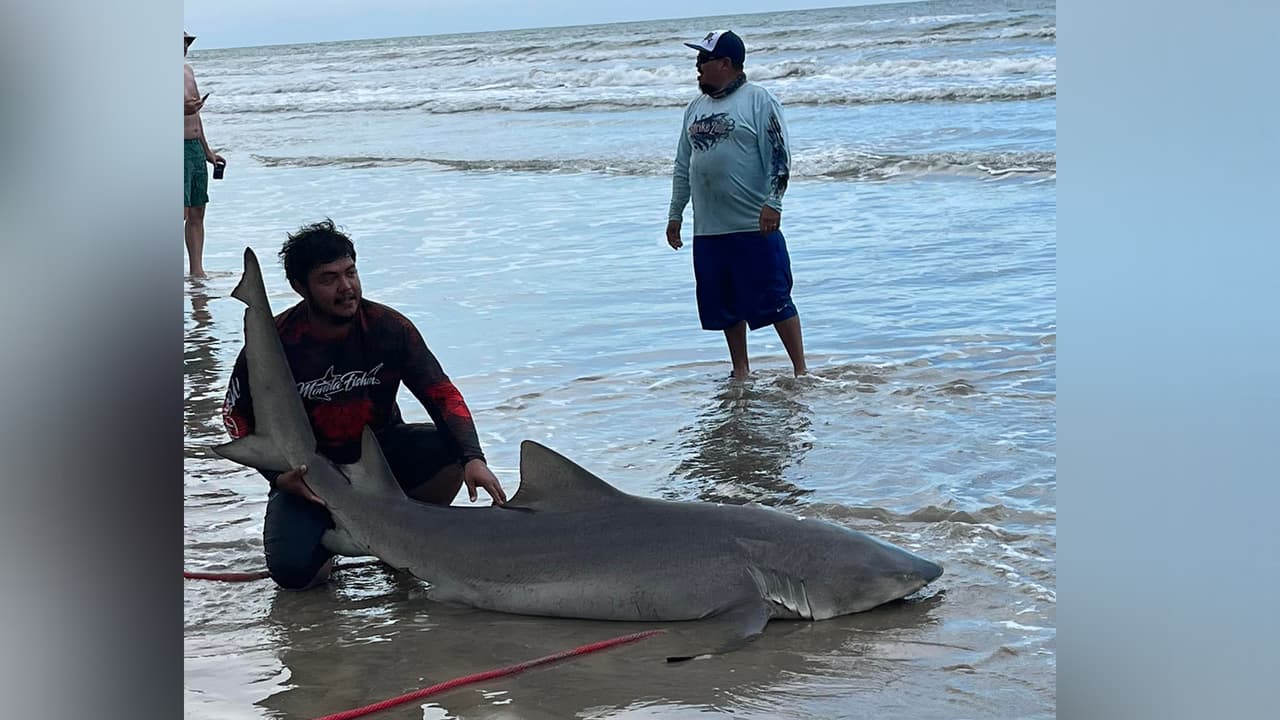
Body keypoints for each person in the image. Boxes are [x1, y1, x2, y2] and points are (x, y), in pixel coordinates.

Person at [221, 219, 508, 590]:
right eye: (329, 279)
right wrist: (279, 477)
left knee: (448, 449)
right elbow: (235, 414)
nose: (346, 287)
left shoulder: (389, 328)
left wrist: (473, 457)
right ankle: (333, 539)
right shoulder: (277, 344)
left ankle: (407, 540)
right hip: (312, 472)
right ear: (299, 287)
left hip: (382, 460)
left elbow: (441, 393)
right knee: (295, 577)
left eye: (350, 272)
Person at [665, 30, 807, 379]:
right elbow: (683, 165)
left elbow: (779, 155)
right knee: (725, 304)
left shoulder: (758, 100)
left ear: (725, 63)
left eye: (704, 59)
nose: (697, 66)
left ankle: (801, 371)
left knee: (774, 299)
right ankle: (740, 370)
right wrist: (675, 213)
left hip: (752, 224)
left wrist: (774, 202)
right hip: (709, 228)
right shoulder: (694, 109)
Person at [184, 30, 224, 278]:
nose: (184, 47)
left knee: (197, 211)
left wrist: (207, 151)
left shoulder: (188, 71)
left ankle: (197, 272)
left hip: (195, 148)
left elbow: (196, 113)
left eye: (186, 42)